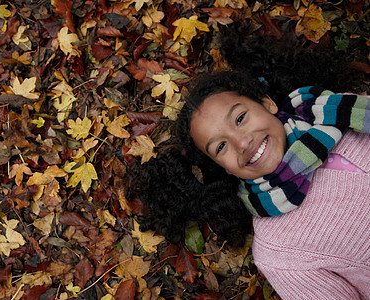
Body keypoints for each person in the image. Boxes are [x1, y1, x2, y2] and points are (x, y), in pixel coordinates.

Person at [126, 30, 369, 298]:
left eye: (240, 118)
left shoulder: (340, 112)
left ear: (267, 103)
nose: (242, 143)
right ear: (225, 169)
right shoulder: (279, 250)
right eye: (221, 147)